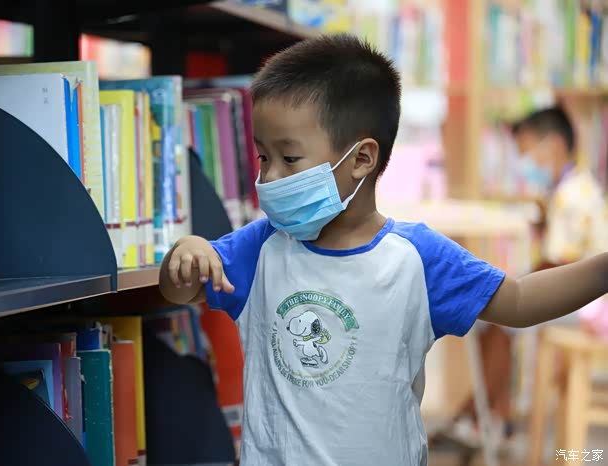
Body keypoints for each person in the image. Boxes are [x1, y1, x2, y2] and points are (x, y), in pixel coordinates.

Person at [159, 35, 608, 465]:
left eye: (289, 158)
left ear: (361, 159)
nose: (270, 177)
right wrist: (186, 251)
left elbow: (521, 302)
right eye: (263, 157)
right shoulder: (260, 247)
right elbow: (179, 291)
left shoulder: (416, 258)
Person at [444, 106, 608, 447]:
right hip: (588, 300)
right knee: (490, 316)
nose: (524, 162)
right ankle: (490, 414)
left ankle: (482, 415)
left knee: (502, 316)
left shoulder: (572, 196)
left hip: (591, 307)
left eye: (526, 151)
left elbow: (559, 266)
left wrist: (515, 285)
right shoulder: (570, 190)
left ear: (553, 145)